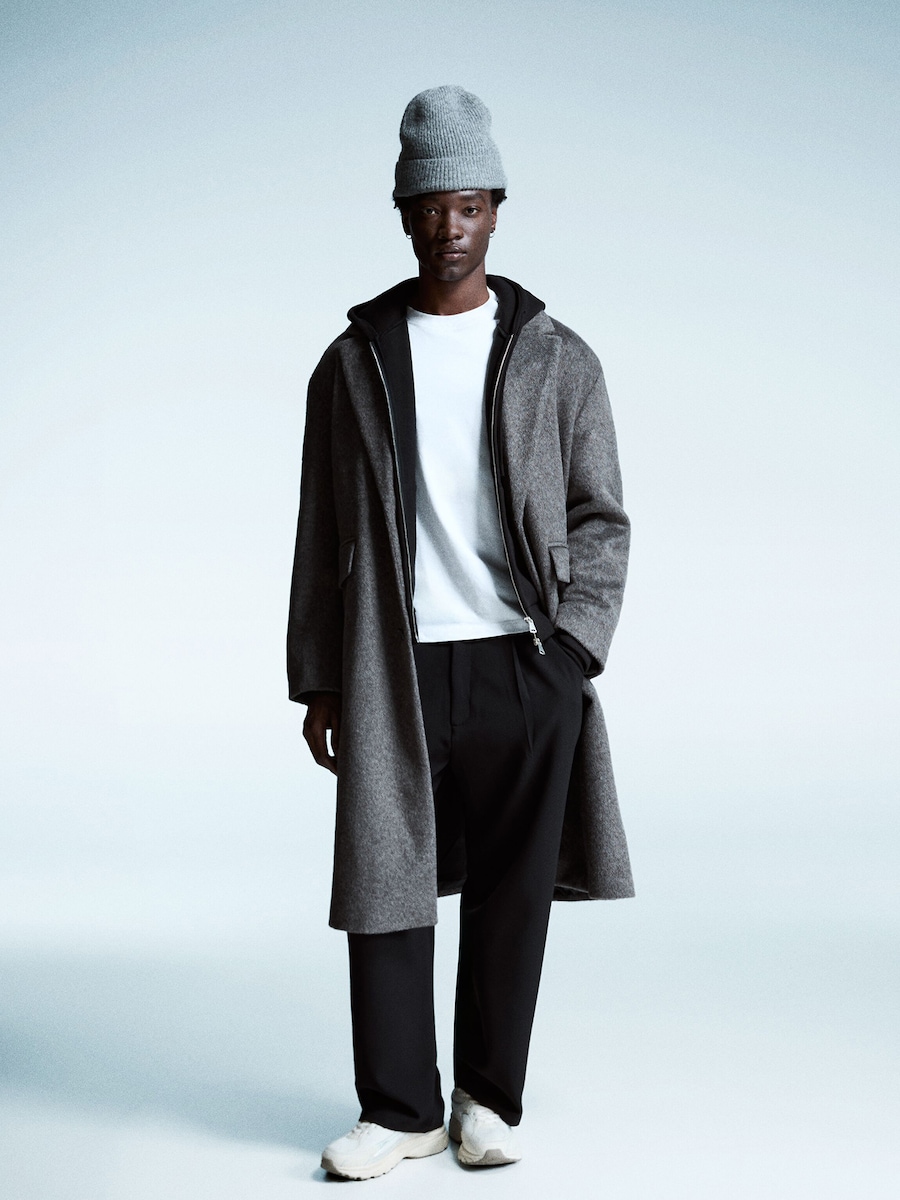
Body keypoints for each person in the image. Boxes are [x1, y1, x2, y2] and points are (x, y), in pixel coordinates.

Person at [287, 85, 633, 1181]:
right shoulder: (353, 364)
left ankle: (486, 1098)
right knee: (385, 882)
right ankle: (399, 1111)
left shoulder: (558, 358)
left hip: (522, 664)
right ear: (404, 213)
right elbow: (320, 529)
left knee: (512, 891)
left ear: (497, 210)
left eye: (470, 206)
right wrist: (318, 678)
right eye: (431, 206)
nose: (451, 227)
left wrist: (572, 652)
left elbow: (601, 517)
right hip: (389, 665)